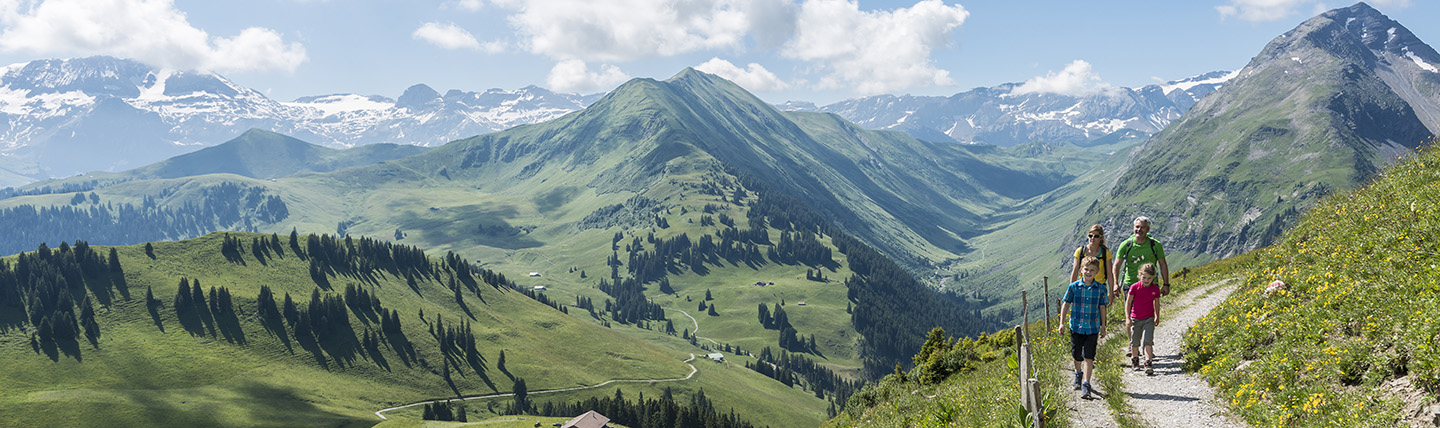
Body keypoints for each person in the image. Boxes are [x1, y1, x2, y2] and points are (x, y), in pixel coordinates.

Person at [1059, 256, 1109, 399]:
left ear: (1097, 272)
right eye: (1086, 269)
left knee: (1089, 356)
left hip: (1092, 328)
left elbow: (1102, 307)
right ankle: (1077, 372)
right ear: (1081, 270)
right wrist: (1061, 322)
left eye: (1092, 270)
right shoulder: (1073, 287)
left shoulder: (1100, 288)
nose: (1088, 272)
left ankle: (1086, 383)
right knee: (1076, 355)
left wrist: (1103, 326)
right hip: (1076, 326)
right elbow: (1066, 304)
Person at [1113, 216, 1171, 298]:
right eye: (1137, 227)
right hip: (1130, 285)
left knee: (1149, 311)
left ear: (1148, 230)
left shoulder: (1155, 245)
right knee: (1130, 311)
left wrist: (1166, 284)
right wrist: (1115, 284)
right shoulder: (1125, 245)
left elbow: (1163, 265)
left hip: (1151, 285)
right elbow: (1116, 265)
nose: (1139, 230)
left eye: (1142, 227)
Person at [1125, 263, 1163, 376]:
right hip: (1135, 318)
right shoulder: (1134, 287)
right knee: (1135, 341)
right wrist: (1128, 317)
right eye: (1144, 277)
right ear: (1140, 275)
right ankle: (1135, 360)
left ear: (1153, 278)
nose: (1146, 280)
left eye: (1149, 278)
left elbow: (1156, 303)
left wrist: (1157, 316)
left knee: (1148, 341)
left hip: (1149, 319)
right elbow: (1128, 302)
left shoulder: (1155, 289)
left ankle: (1148, 362)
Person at [1070, 224, 1115, 291]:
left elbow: (1110, 274)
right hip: (1082, 288)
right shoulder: (1080, 252)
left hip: (1100, 288)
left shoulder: (1105, 253)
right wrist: (1071, 291)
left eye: (1096, 236)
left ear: (1101, 238)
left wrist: (1111, 293)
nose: (1092, 238)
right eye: (1090, 236)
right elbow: (1075, 272)